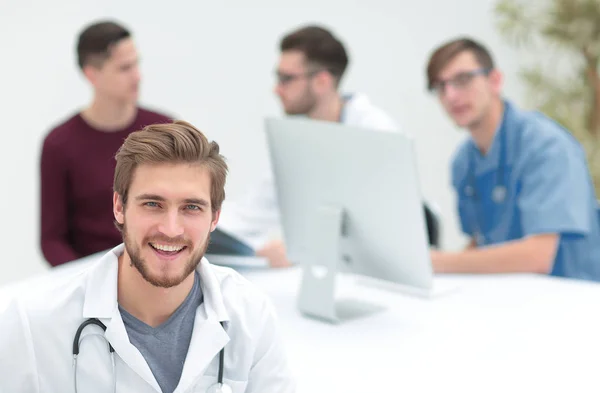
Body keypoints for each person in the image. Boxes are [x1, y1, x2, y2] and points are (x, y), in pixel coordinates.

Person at [0, 121, 301, 393]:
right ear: (119, 206)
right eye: (153, 204)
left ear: (215, 217)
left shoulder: (251, 315)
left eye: (191, 207)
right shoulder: (34, 324)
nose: (171, 229)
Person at [215, 25, 440, 267]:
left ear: (322, 81)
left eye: (286, 79)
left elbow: (387, 228)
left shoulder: (376, 131)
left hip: (383, 270)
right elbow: (252, 212)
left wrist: (298, 249)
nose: (277, 89)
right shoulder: (297, 140)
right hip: (326, 271)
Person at [426, 37, 600, 281]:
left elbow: (538, 256)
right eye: (440, 86)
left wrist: (439, 262)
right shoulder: (464, 161)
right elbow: (480, 240)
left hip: (573, 297)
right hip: (511, 293)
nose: (451, 95)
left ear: (495, 80)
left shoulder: (546, 145)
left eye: (462, 80)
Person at [40, 20, 172, 267]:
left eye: (136, 64)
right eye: (124, 68)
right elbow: (52, 240)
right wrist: (89, 282)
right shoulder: (59, 144)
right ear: (92, 75)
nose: (137, 76)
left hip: (157, 267)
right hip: (90, 275)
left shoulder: (164, 130)